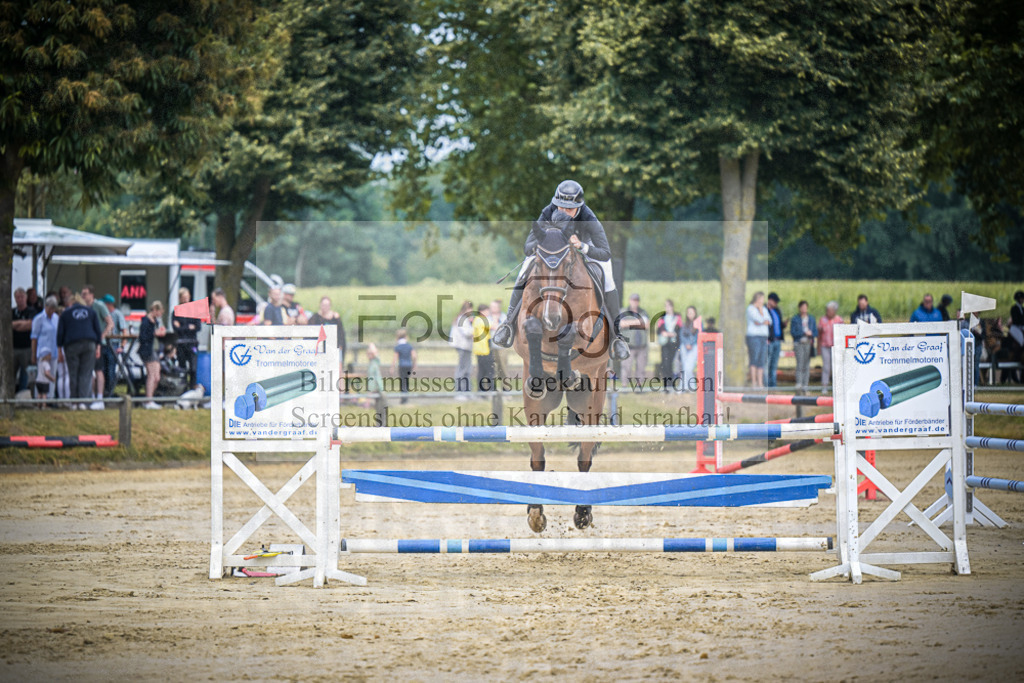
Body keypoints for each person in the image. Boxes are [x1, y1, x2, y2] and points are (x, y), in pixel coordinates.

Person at [490, 179, 630, 361]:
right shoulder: (548, 212)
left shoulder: (588, 217)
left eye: (569, 209)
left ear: (579, 206)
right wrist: (543, 244)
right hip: (552, 252)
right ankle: (507, 324)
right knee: (525, 269)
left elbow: (605, 252)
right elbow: (528, 247)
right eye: (561, 207)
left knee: (608, 278)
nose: (564, 212)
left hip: (586, 249)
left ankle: (616, 336)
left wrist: (582, 246)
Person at [56, 293, 102, 409]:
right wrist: (98, 347)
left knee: (73, 373)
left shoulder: (66, 313)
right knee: (86, 374)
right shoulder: (91, 312)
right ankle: (83, 402)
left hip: (71, 345)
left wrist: (59, 349)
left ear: (71, 303)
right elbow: (98, 331)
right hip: (89, 344)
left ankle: (74, 402)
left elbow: (60, 333)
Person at [79, 285, 112, 409]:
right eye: (82, 294)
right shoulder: (83, 308)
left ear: (91, 295)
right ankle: (91, 395)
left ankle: (99, 397)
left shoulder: (99, 305)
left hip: (97, 343)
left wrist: (101, 337)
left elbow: (110, 323)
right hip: (86, 342)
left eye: (85, 293)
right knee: (89, 370)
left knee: (98, 369)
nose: (83, 296)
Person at [30, 295, 60, 402]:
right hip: (43, 353)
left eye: (53, 309)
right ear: (46, 306)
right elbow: (34, 337)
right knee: (42, 377)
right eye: (50, 308)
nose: (51, 311)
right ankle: (39, 399)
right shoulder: (39, 319)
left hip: (54, 352)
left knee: (52, 375)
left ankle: (50, 398)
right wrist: (33, 354)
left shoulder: (57, 318)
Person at [138, 301, 166, 409]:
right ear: (155, 310)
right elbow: (143, 337)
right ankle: (148, 401)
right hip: (147, 350)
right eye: (159, 312)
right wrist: (154, 333)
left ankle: (149, 398)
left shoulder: (155, 321)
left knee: (157, 377)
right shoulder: (146, 321)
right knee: (152, 375)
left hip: (155, 349)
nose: (160, 315)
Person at [11, 287, 39, 393]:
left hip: (27, 347)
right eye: (18, 297)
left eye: (22, 297)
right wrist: (21, 324)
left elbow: (30, 325)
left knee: (26, 373)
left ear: (26, 298)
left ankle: (23, 394)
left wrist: (14, 324)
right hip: (13, 348)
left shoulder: (31, 311)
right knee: (11, 373)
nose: (20, 299)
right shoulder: (12, 312)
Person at [172, 288, 200, 387]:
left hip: (192, 343)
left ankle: (192, 388)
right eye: (183, 298)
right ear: (180, 299)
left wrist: (182, 327)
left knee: (193, 368)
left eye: (187, 298)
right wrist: (189, 327)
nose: (186, 300)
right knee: (182, 368)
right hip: (181, 344)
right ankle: (182, 389)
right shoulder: (176, 312)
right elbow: (175, 328)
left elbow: (198, 327)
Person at [308, 296, 347, 368]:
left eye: (327, 305)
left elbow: (341, 332)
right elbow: (310, 327)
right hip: (321, 347)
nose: (325, 307)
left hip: (335, 345)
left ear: (330, 306)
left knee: (338, 367)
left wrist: (340, 344)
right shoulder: (316, 317)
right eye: (323, 305)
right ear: (320, 305)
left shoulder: (335, 318)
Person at [620, 293, 650, 386]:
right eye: (633, 300)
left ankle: (639, 385)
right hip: (628, 346)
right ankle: (625, 385)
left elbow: (647, 325)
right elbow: (621, 324)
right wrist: (638, 322)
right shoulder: (624, 311)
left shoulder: (643, 312)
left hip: (642, 345)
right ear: (630, 301)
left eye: (636, 300)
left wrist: (630, 323)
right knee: (626, 367)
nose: (635, 302)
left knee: (641, 367)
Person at [102, 294, 127, 397]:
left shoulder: (117, 314)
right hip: (104, 344)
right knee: (103, 369)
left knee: (111, 369)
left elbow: (124, 331)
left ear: (108, 304)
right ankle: (103, 391)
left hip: (114, 344)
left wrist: (122, 346)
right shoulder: (104, 314)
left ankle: (110, 392)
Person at [449, 300, 475, 398]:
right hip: (463, 347)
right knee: (462, 370)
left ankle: (467, 391)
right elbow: (467, 333)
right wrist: (475, 328)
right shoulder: (462, 319)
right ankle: (460, 392)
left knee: (467, 369)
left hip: (466, 347)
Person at [745, 291, 771, 387]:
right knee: (754, 359)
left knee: (761, 361)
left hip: (763, 337)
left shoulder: (764, 308)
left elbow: (769, 321)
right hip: (753, 337)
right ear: (758, 299)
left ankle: (760, 383)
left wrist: (762, 318)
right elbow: (759, 320)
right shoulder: (751, 309)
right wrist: (762, 316)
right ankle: (754, 382)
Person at [790, 300, 817, 389]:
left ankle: (805, 385)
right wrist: (804, 333)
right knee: (800, 364)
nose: (804, 309)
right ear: (799, 308)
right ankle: (799, 384)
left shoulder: (811, 319)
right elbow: (793, 332)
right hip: (799, 343)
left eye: (805, 307)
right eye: (802, 307)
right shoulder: (795, 319)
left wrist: (811, 333)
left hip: (808, 344)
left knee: (806, 365)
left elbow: (815, 332)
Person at [656, 299, 682, 391]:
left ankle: (673, 384)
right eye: (666, 306)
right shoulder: (662, 318)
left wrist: (672, 333)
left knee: (673, 364)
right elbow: (659, 330)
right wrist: (665, 333)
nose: (667, 308)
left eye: (669, 306)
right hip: (665, 344)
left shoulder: (677, 317)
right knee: (665, 364)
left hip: (674, 344)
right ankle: (667, 385)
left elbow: (679, 329)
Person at [818, 301, 843, 393]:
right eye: (827, 310)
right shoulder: (822, 320)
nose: (828, 312)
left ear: (834, 311)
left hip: (836, 346)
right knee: (826, 367)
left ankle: (837, 387)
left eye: (830, 310)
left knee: (836, 367)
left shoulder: (839, 320)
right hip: (825, 346)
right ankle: (824, 386)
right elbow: (819, 334)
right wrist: (818, 347)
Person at [676, 306, 701, 392]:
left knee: (688, 368)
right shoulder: (684, 324)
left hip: (694, 347)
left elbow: (698, 335)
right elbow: (681, 335)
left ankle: (689, 386)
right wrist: (686, 343)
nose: (690, 314)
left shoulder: (698, 324)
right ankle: (686, 386)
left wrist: (691, 343)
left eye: (692, 312)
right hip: (684, 347)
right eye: (689, 313)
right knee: (684, 367)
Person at [472, 303, 494, 392]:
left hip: (480, 349)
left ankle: (481, 390)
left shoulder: (478, 320)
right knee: (489, 371)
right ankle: (490, 390)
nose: (488, 312)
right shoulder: (481, 320)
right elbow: (494, 326)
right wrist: (496, 319)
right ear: (482, 311)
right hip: (484, 349)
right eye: (487, 310)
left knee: (482, 371)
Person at [764, 292, 785, 388]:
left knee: (774, 365)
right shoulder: (764, 310)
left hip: (777, 340)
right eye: (775, 301)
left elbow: (778, 324)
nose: (776, 303)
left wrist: (783, 325)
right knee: (767, 364)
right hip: (769, 341)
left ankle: (773, 385)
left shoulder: (777, 311)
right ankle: (766, 385)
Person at [392, 328, 416, 404]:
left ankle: (403, 398)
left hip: (402, 366)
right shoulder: (409, 346)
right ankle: (405, 397)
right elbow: (414, 356)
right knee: (406, 381)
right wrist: (414, 364)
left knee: (402, 381)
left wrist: (392, 367)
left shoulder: (398, 347)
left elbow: (395, 358)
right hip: (409, 365)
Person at [488, 300, 507, 383]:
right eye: (491, 307)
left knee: (503, 368)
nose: (493, 309)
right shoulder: (488, 317)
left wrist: (494, 325)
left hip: (501, 346)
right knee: (491, 369)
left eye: (494, 307)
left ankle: (506, 389)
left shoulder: (504, 317)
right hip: (490, 346)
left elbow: (502, 329)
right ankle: (492, 389)